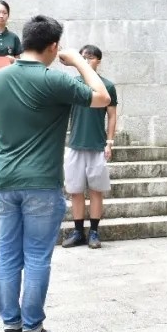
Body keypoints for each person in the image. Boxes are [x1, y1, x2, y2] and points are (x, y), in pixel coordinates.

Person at [0, 15, 109, 332]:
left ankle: (11, 328)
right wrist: (79, 61)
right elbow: (101, 97)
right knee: (37, 256)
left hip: (5, 179)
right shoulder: (55, 80)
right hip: (41, 181)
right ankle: (32, 329)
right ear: (54, 46)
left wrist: (3, 159)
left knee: (8, 254)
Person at [61, 45, 118, 250]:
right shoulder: (72, 84)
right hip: (75, 144)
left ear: (98, 61)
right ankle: (78, 232)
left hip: (97, 145)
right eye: (83, 57)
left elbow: (112, 115)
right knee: (75, 190)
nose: (86, 61)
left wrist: (109, 142)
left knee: (96, 190)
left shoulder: (107, 86)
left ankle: (94, 231)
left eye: (90, 58)